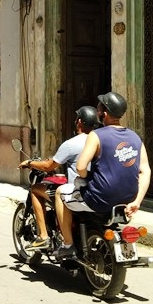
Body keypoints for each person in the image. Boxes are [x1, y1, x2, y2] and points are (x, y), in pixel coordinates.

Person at [54, 91, 151, 258]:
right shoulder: (135, 137)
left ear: (103, 114)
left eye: (99, 109)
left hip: (100, 198)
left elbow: (81, 166)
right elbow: (145, 170)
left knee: (60, 193)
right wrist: (137, 201)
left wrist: (86, 176)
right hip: (127, 199)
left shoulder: (96, 135)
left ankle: (68, 244)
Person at [19, 106, 99, 249]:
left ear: (79, 121)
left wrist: (30, 163)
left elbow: (48, 166)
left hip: (77, 191)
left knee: (36, 190)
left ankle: (43, 236)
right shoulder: (100, 142)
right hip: (96, 189)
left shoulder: (71, 144)